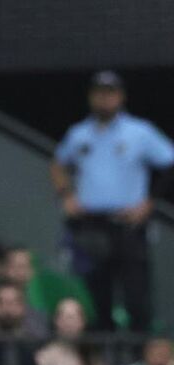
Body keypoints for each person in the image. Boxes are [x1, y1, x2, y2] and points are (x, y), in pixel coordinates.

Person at [51, 70, 174, 333]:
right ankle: (103, 364)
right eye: (99, 93)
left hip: (128, 225)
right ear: (91, 96)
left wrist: (149, 203)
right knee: (96, 298)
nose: (104, 99)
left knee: (136, 299)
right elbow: (58, 164)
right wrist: (67, 195)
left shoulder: (140, 132)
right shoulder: (79, 134)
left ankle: (138, 363)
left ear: (121, 96)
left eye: (110, 93)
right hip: (90, 226)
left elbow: (169, 164)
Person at [35, 297, 105, 365]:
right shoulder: (45, 356)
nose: (69, 323)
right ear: (57, 321)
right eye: (66, 317)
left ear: (83, 322)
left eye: (74, 318)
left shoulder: (92, 354)